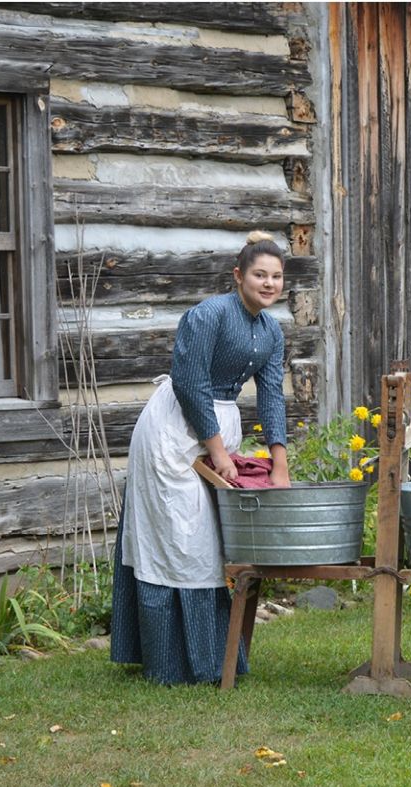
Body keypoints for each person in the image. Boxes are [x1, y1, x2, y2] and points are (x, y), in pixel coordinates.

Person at [110, 230, 290, 685]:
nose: (269, 284)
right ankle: (170, 663)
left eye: (276, 277)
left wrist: (279, 462)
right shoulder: (207, 315)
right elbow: (189, 384)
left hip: (213, 431)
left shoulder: (271, 331)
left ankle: (209, 660)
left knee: (208, 542)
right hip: (172, 432)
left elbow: (271, 396)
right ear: (238, 276)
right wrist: (217, 451)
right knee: (179, 537)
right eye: (259, 275)